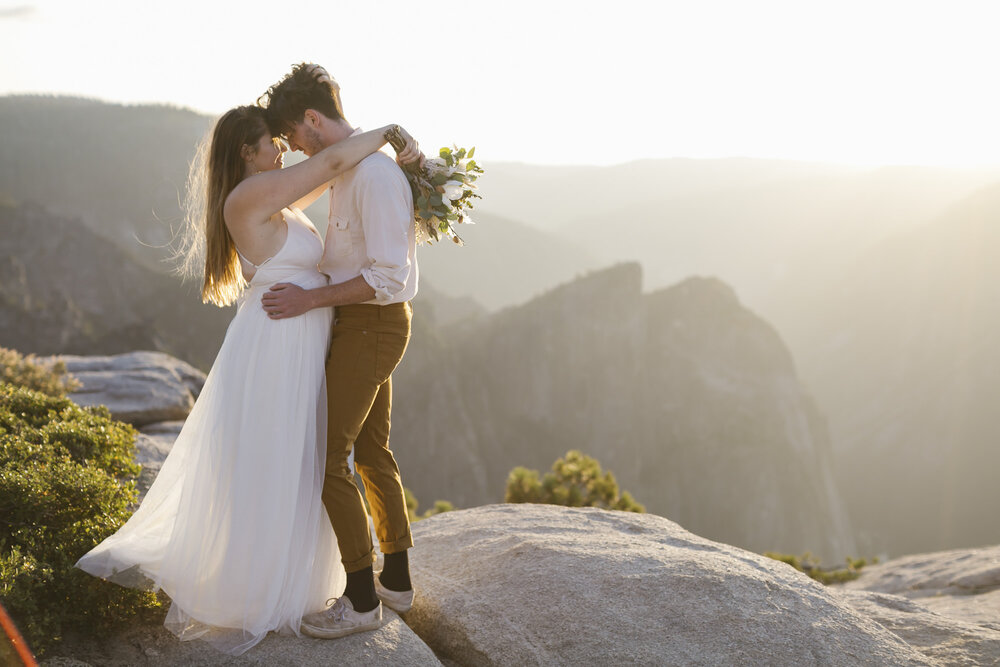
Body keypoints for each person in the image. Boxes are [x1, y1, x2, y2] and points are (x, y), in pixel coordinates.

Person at [75, 94, 421, 655]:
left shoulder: (274, 196)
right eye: (271, 141)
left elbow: (337, 171)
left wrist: (412, 180)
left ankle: (360, 581)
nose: (282, 147)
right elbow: (332, 165)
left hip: (307, 338)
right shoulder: (250, 195)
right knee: (302, 457)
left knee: (316, 456)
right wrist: (387, 130)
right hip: (280, 344)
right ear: (247, 153)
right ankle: (331, 591)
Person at [258, 64, 419, 640]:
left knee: (329, 456)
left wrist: (310, 299)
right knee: (373, 449)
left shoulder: (373, 176)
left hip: (370, 324)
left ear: (311, 119)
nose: (292, 147)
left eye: (291, 135)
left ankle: (359, 601)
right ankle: (395, 582)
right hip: (363, 325)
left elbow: (386, 275)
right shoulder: (354, 168)